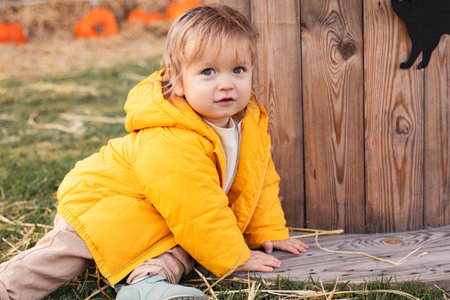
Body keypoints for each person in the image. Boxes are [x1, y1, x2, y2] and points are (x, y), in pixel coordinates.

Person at [0, 4, 308, 300]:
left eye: (238, 70)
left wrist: (269, 230)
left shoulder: (247, 124)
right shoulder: (171, 138)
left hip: (158, 218)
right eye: (209, 72)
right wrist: (235, 257)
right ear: (178, 81)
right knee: (59, 259)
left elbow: (258, 180)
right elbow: (197, 208)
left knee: (181, 249)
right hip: (102, 205)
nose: (226, 84)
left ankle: (147, 287)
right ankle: (7, 286)